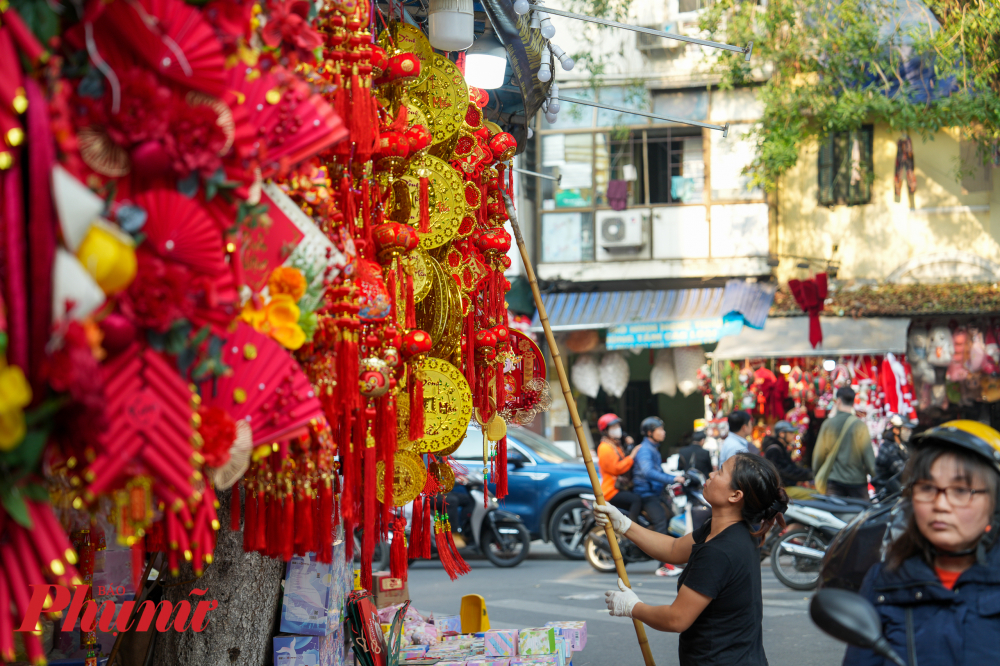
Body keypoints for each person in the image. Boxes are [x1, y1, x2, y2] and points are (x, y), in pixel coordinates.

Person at [597, 453, 788, 666]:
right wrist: (624, 525)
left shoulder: (720, 550)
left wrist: (633, 607)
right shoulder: (725, 529)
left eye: (721, 472)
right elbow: (673, 548)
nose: (712, 474)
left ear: (735, 495)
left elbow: (676, 618)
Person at [844, 420, 1000, 666]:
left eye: (960, 490)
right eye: (927, 488)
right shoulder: (882, 582)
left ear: (995, 502)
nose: (940, 504)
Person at [632, 416, 684, 577]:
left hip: (655, 493)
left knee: (669, 518)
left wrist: (673, 476)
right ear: (649, 432)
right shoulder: (645, 450)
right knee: (661, 521)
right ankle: (663, 565)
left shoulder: (652, 448)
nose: (663, 432)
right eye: (660, 429)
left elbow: (659, 471)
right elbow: (648, 472)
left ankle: (670, 558)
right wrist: (672, 479)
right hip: (646, 494)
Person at [811, 387, 875, 500]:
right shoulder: (860, 425)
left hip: (834, 482)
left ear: (838, 401)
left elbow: (818, 456)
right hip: (857, 482)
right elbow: (869, 458)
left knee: (833, 516)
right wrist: (875, 477)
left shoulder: (828, 424)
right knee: (861, 516)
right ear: (853, 401)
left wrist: (817, 473)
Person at [596, 413, 642, 521]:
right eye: (613, 427)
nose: (618, 429)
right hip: (611, 490)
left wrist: (628, 444)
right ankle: (632, 531)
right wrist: (632, 455)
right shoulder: (605, 448)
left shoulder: (615, 445)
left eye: (618, 426)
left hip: (619, 487)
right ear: (606, 430)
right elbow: (617, 468)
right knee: (636, 500)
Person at [762, 420, 814, 499]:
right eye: (790, 432)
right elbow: (785, 471)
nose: (793, 435)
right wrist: (809, 475)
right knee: (814, 495)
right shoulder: (774, 450)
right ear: (781, 434)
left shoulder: (780, 448)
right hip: (781, 490)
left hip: (784, 488)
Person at [872, 415, 915, 496]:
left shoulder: (901, 446)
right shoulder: (888, 448)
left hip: (896, 490)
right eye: (906, 429)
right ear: (896, 430)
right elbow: (902, 470)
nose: (909, 432)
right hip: (886, 494)